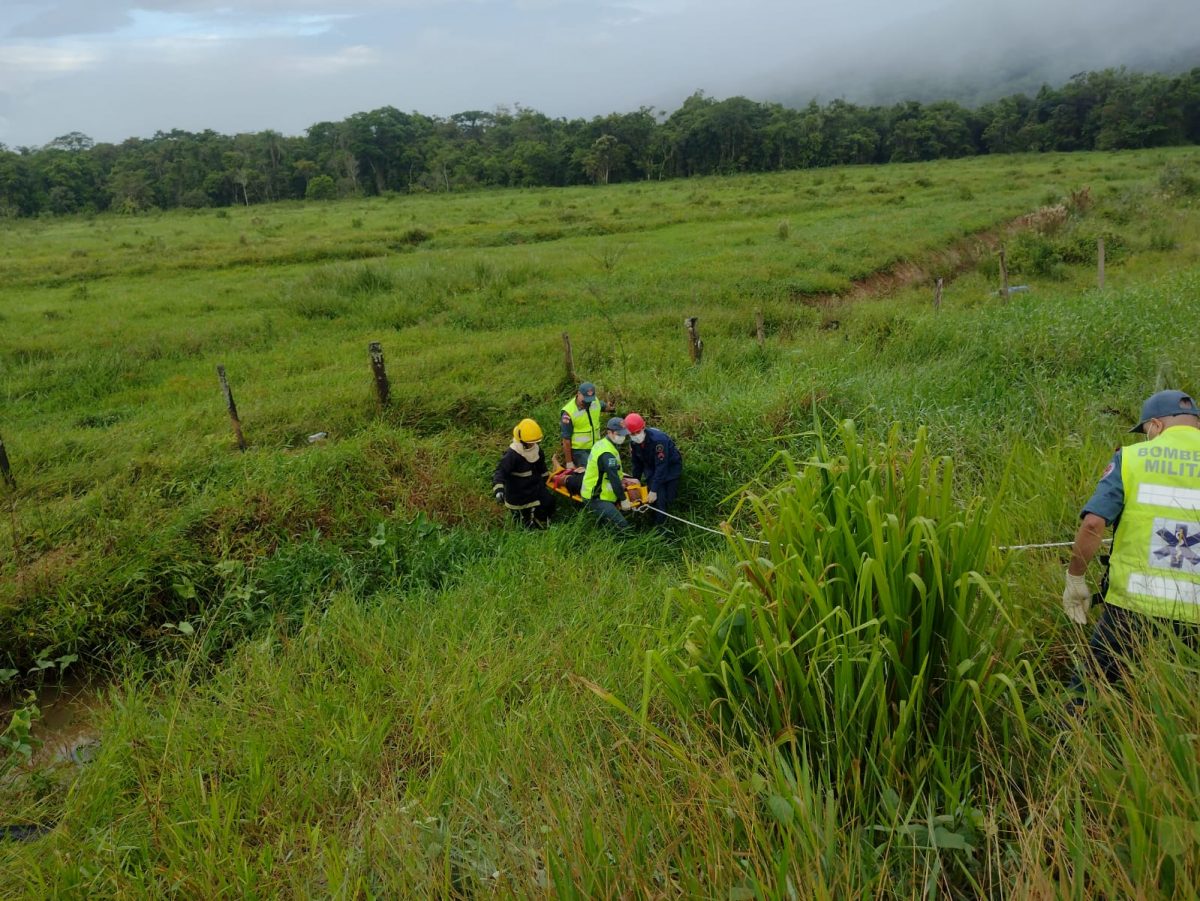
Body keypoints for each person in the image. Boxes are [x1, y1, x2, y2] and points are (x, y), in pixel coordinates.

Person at [1064, 389, 1200, 689]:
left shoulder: (1131, 459)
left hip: (1133, 606)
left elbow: (1093, 525)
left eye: (1146, 431)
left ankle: (1069, 734)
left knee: (1089, 690)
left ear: (1157, 425)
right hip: (1196, 609)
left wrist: (1075, 579)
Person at [493, 418, 556, 529]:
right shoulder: (512, 455)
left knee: (549, 502)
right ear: (522, 441)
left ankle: (542, 523)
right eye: (531, 443)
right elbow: (500, 472)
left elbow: (542, 468)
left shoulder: (537, 450)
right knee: (522, 521)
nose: (534, 445)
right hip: (518, 492)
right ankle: (528, 527)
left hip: (535, 487)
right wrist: (499, 490)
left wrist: (549, 479)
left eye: (536, 442)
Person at [623, 412, 683, 527]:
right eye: (632, 433)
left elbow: (662, 466)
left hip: (670, 468)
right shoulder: (634, 443)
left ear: (643, 427)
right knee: (659, 501)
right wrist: (635, 480)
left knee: (670, 499)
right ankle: (659, 528)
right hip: (651, 468)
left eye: (638, 432)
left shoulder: (658, 441)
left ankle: (668, 517)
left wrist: (654, 490)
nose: (636, 435)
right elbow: (637, 463)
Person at [582, 417, 636, 531]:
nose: (622, 437)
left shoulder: (604, 443)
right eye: (618, 434)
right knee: (624, 526)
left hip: (601, 491)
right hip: (596, 496)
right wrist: (623, 499)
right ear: (609, 432)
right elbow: (614, 478)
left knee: (613, 520)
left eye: (623, 434)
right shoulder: (607, 453)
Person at [560, 381, 608, 471]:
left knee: (607, 465)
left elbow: (603, 406)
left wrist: (612, 408)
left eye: (590, 400)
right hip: (579, 451)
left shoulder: (594, 402)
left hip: (596, 446)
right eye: (585, 400)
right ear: (578, 394)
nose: (587, 403)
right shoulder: (568, 413)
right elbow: (566, 440)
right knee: (592, 469)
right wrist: (569, 463)